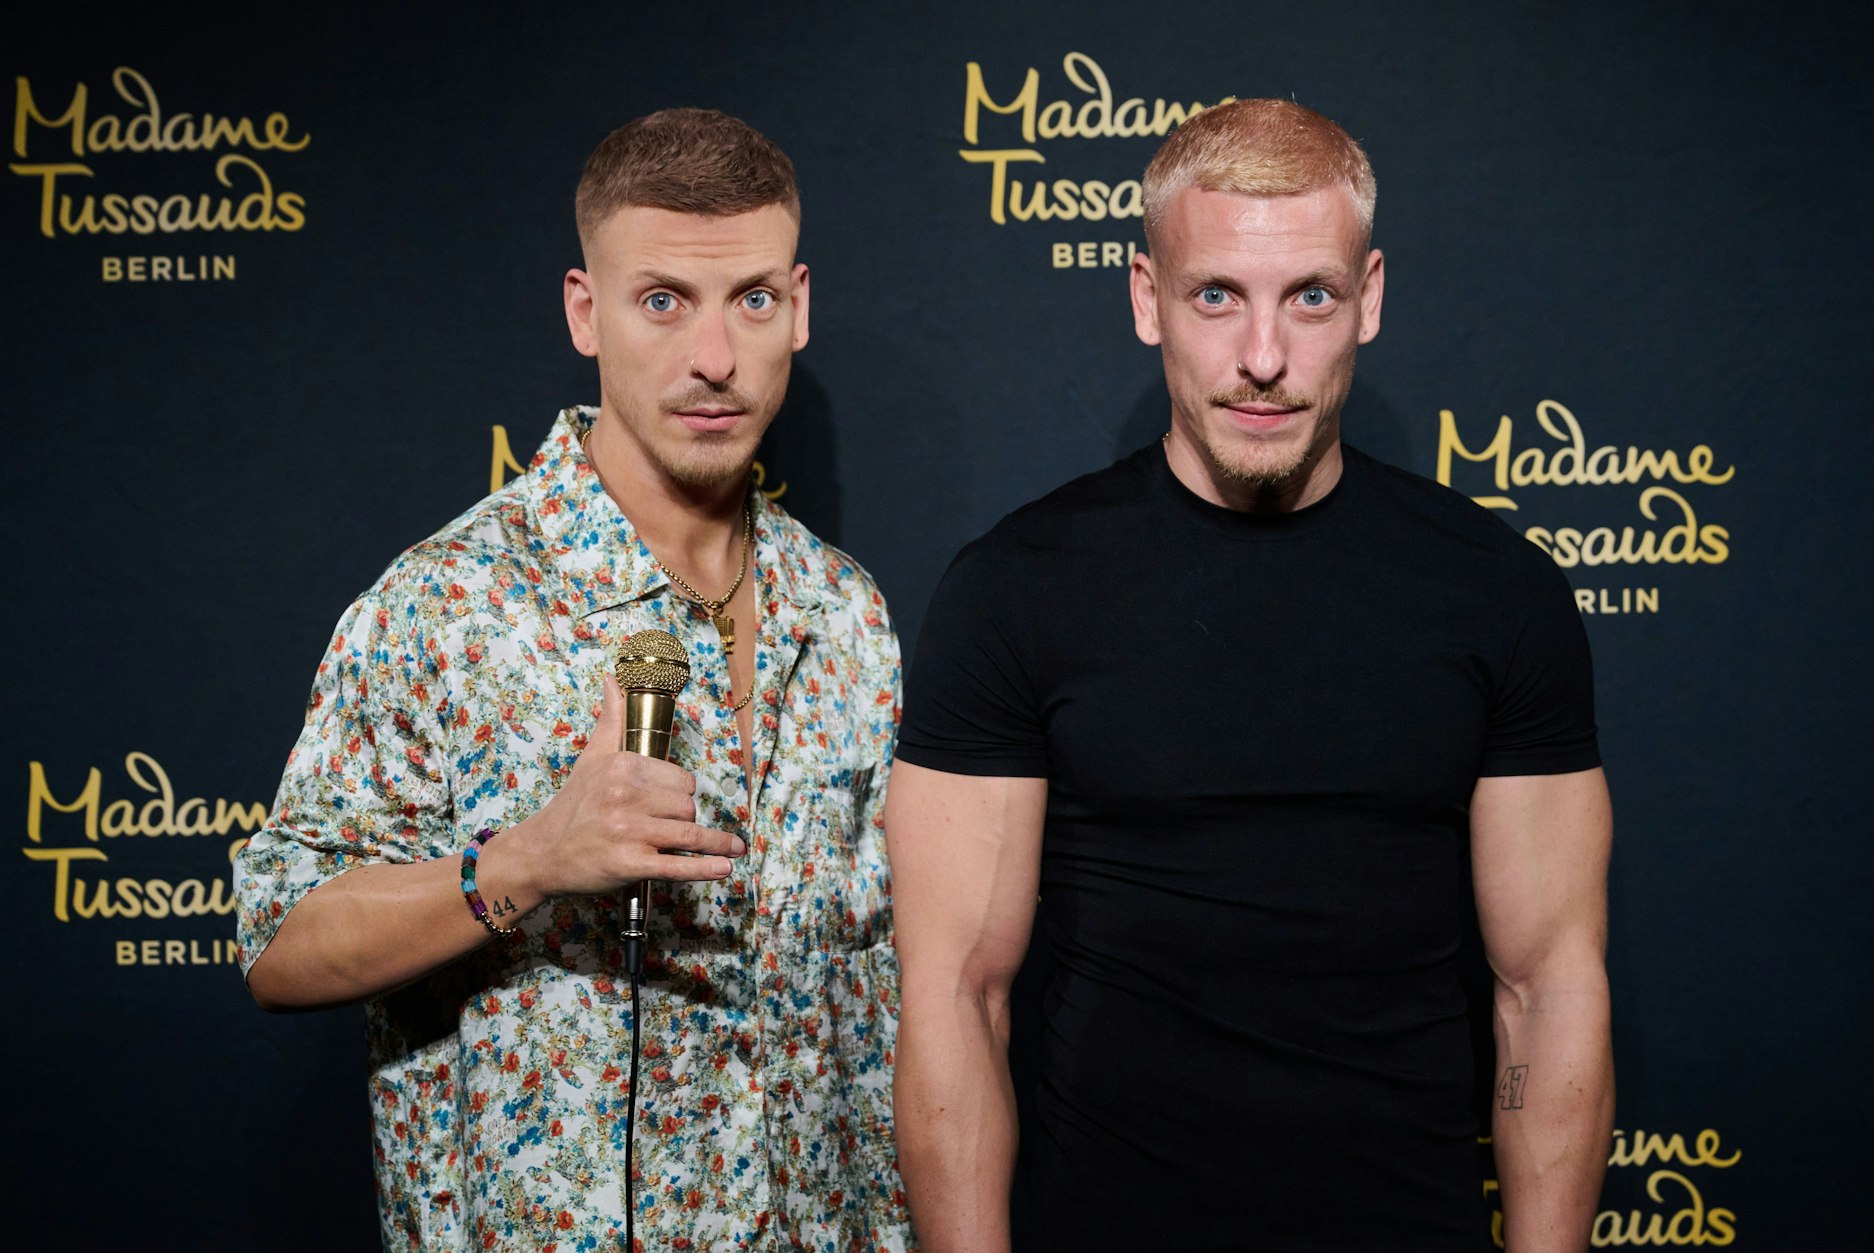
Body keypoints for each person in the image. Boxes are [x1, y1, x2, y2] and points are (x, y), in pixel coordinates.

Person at [888, 99, 1614, 1252]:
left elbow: (1546, 989)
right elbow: (953, 995)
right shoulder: (1015, 588)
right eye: (1214, 294)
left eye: (1308, 297)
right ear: (1145, 299)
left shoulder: (1495, 591)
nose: (1263, 358)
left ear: (1367, 297)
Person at [236, 109, 911, 1252]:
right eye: (662, 301)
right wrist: (525, 860)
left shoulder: (845, 611)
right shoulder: (449, 603)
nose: (714, 358)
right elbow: (278, 941)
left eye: (749, 299)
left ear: (796, 305)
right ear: (583, 312)